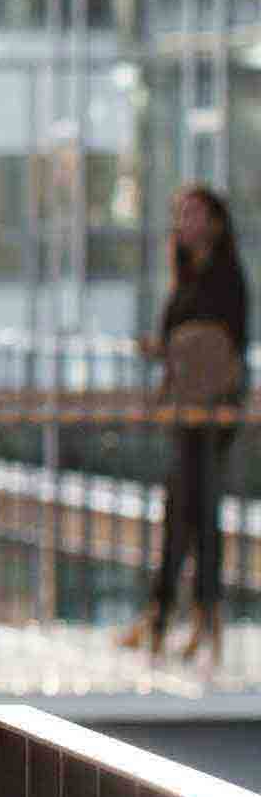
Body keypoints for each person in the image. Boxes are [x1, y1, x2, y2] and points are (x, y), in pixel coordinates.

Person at [118, 184, 251, 663]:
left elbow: (218, 344)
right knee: (186, 510)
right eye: (180, 214)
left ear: (216, 222)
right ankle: (182, 615)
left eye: (193, 214)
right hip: (187, 408)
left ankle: (183, 616)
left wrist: (170, 350)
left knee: (194, 511)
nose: (184, 222)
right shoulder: (186, 273)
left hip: (212, 410)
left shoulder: (225, 277)